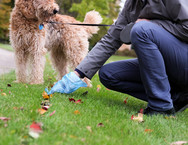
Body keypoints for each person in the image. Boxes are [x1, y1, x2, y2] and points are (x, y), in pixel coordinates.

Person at [45, 0, 188, 116]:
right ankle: (177, 97)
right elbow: (111, 39)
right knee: (108, 74)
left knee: (141, 30)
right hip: (165, 65)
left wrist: (151, 25)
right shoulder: (132, 5)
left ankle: (161, 106)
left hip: (183, 62)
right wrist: (77, 74)